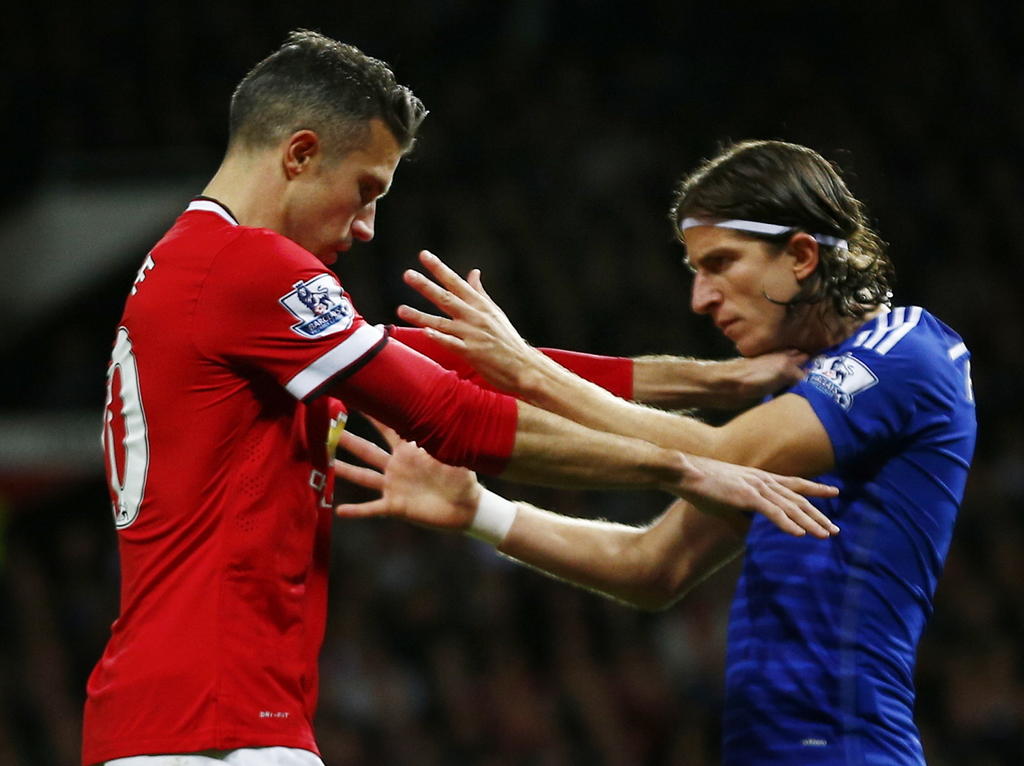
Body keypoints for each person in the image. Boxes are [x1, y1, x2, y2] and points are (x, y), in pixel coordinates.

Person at [86, 32, 839, 766]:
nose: (368, 225)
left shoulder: (197, 268)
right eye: (366, 190)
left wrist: (718, 380)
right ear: (301, 154)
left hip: (181, 718)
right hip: (210, 730)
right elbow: (452, 416)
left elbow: (480, 368)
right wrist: (685, 468)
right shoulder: (246, 267)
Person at [335, 140, 977, 764]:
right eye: (695, 272)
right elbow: (652, 566)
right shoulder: (797, 408)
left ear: (802, 255)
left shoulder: (910, 353)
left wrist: (528, 370)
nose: (700, 299)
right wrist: (479, 509)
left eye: (721, 264)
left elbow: (722, 451)